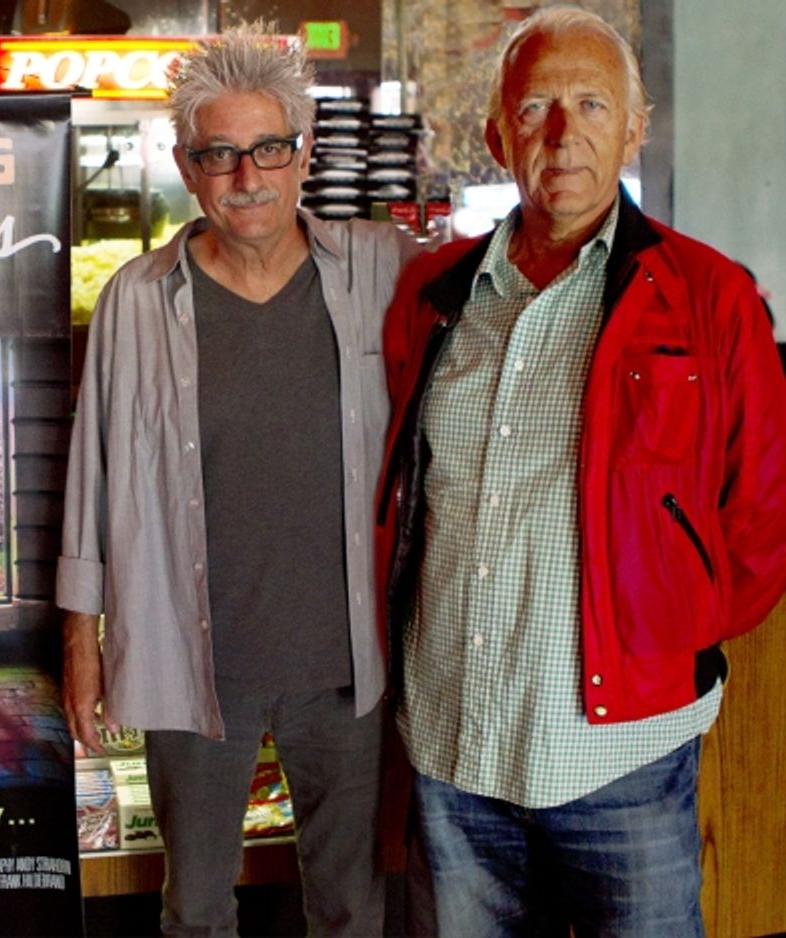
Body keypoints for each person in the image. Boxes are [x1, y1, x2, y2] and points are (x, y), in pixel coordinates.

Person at [374, 7, 786, 936]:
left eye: (593, 104)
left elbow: (761, 523)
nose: (562, 136)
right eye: (535, 109)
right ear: (495, 135)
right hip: (454, 753)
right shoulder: (434, 295)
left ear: (636, 129)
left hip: (622, 757)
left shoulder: (710, 297)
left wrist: (662, 638)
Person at [57, 22, 419, 936]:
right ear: (186, 167)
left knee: (353, 906)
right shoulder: (137, 300)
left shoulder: (383, 271)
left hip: (351, 668)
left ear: (302, 155)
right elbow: (91, 475)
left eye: (266, 148)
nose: (246, 176)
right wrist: (81, 640)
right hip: (191, 659)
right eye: (220, 154)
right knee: (195, 909)